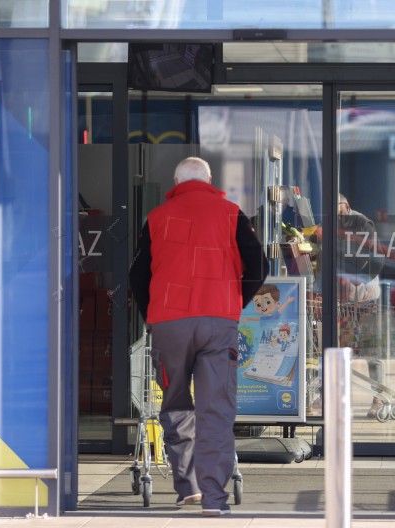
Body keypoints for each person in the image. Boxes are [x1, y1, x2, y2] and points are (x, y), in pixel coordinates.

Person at [129, 156, 268, 517]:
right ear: (209, 179)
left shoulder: (156, 218)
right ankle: (213, 499)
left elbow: (138, 274)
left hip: (170, 323)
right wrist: (236, 300)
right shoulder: (231, 213)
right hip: (218, 320)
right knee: (215, 409)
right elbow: (258, 265)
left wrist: (153, 315)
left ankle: (187, 486)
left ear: (176, 180)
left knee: (174, 402)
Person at [335, 193, 387, 418]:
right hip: (345, 299)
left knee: (371, 349)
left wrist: (358, 279)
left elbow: (375, 257)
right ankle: (339, 398)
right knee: (342, 348)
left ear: (346, 205)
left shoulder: (362, 223)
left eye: (336, 207)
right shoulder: (329, 223)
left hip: (366, 298)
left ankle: (379, 398)